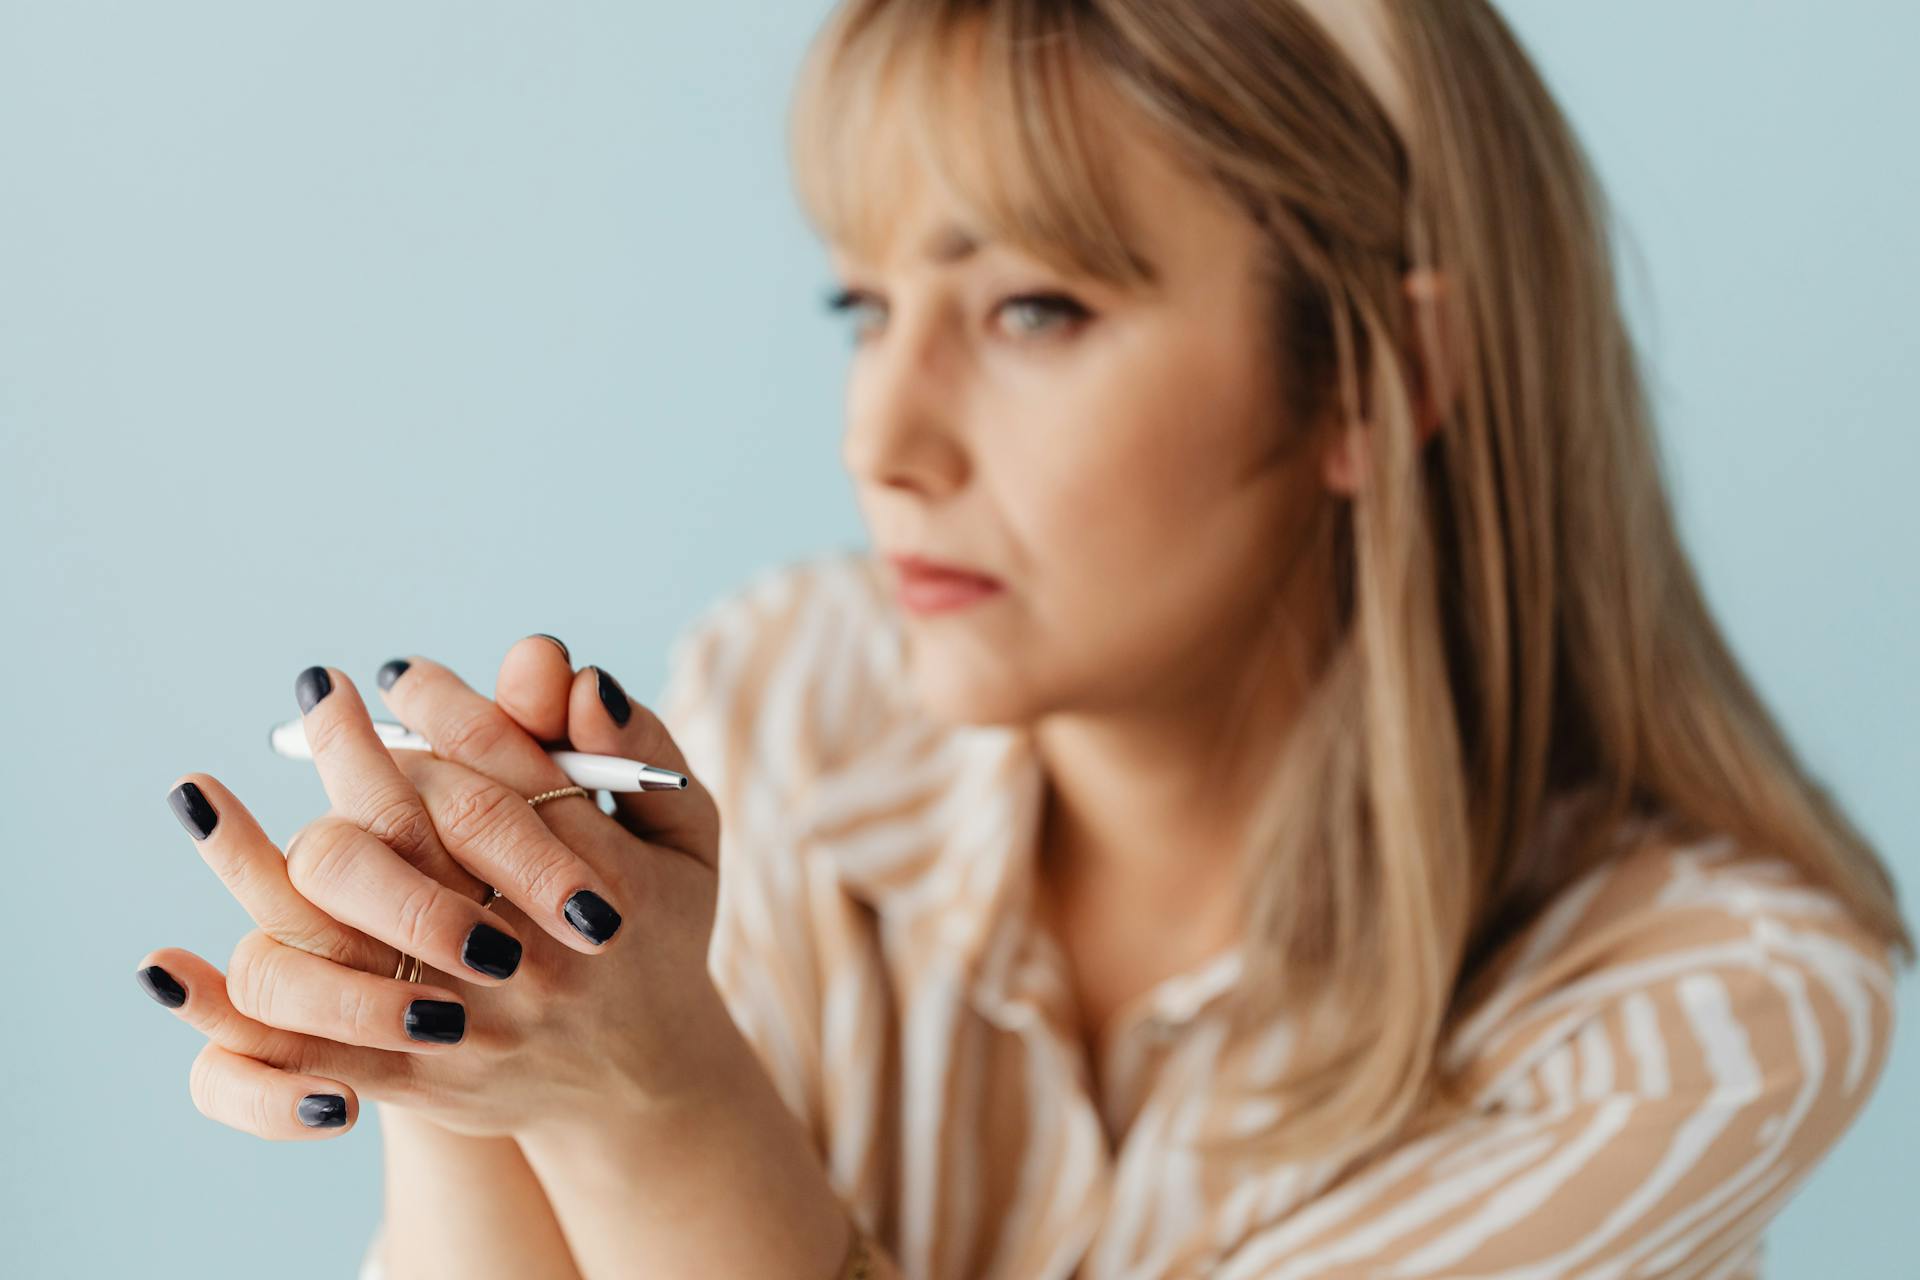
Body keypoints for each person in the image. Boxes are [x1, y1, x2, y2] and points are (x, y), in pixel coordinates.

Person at [136, 1, 1910, 1276]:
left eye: (1032, 309)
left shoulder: (1712, 1017)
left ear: (1382, 378)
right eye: (869, 304)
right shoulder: (797, 703)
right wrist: (459, 1026)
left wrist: (655, 1106)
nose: (878, 440)